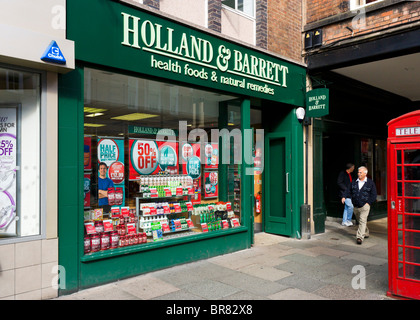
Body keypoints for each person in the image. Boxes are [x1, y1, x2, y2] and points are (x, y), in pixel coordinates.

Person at [342, 166, 377, 245]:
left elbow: (374, 194)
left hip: (365, 205)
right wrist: (344, 196)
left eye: (360, 172)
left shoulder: (370, 183)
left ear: (365, 173)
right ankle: (366, 232)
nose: (359, 174)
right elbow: (348, 190)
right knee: (361, 221)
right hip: (356, 205)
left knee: (362, 220)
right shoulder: (354, 181)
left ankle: (360, 237)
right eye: (358, 172)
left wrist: (368, 203)